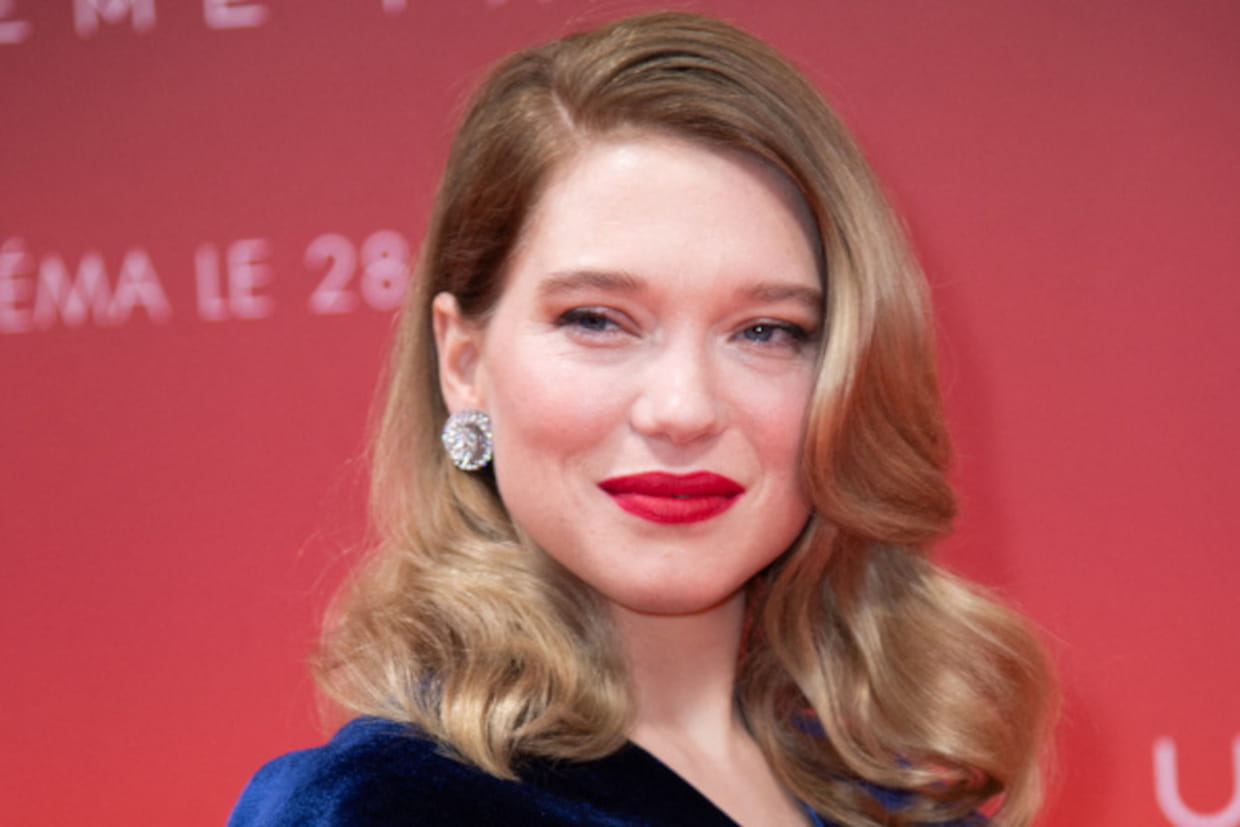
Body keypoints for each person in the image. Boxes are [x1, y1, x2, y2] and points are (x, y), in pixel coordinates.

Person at [229, 11, 1055, 827]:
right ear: (464, 364)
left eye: (765, 331)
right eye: (597, 319)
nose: (683, 409)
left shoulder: (900, 799)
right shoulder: (377, 806)